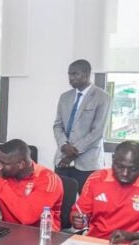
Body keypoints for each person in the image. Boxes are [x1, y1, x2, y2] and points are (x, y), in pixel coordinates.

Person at [71, 141, 139, 239]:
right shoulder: (96, 179)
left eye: (133, 169)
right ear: (113, 158)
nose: (125, 173)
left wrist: (136, 236)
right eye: (120, 166)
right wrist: (78, 220)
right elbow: (79, 215)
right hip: (96, 243)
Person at [53, 59, 111, 194]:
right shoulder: (65, 97)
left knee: (86, 205)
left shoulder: (102, 97)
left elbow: (97, 132)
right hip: (62, 158)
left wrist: (73, 152)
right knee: (61, 200)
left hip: (88, 163)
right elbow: (58, 125)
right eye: (69, 74)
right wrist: (64, 146)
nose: (70, 78)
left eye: (75, 74)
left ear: (86, 74)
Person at [0, 139, 64, 231]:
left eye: (4, 163)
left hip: (42, 237)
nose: (0, 166)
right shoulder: (4, 175)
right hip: (8, 234)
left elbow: (27, 217)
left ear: (21, 165)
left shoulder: (49, 180)